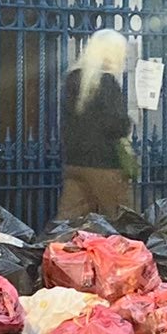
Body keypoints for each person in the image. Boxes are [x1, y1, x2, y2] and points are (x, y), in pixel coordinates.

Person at [58, 28, 134, 222]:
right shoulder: (107, 82)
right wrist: (128, 122)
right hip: (104, 164)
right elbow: (115, 124)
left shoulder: (72, 79)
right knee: (123, 221)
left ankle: (54, 250)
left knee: (69, 222)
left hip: (75, 162)